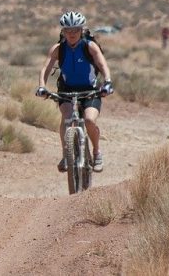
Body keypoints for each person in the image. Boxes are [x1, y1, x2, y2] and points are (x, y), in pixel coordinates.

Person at [35, 11, 113, 174]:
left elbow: (102, 64)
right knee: (67, 118)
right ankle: (67, 154)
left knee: (89, 120)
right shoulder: (58, 49)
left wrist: (107, 82)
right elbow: (45, 68)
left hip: (90, 89)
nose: (71, 34)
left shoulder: (89, 46)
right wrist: (42, 86)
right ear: (62, 31)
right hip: (67, 90)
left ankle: (97, 152)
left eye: (75, 30)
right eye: (68, 30)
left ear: (82, 30)